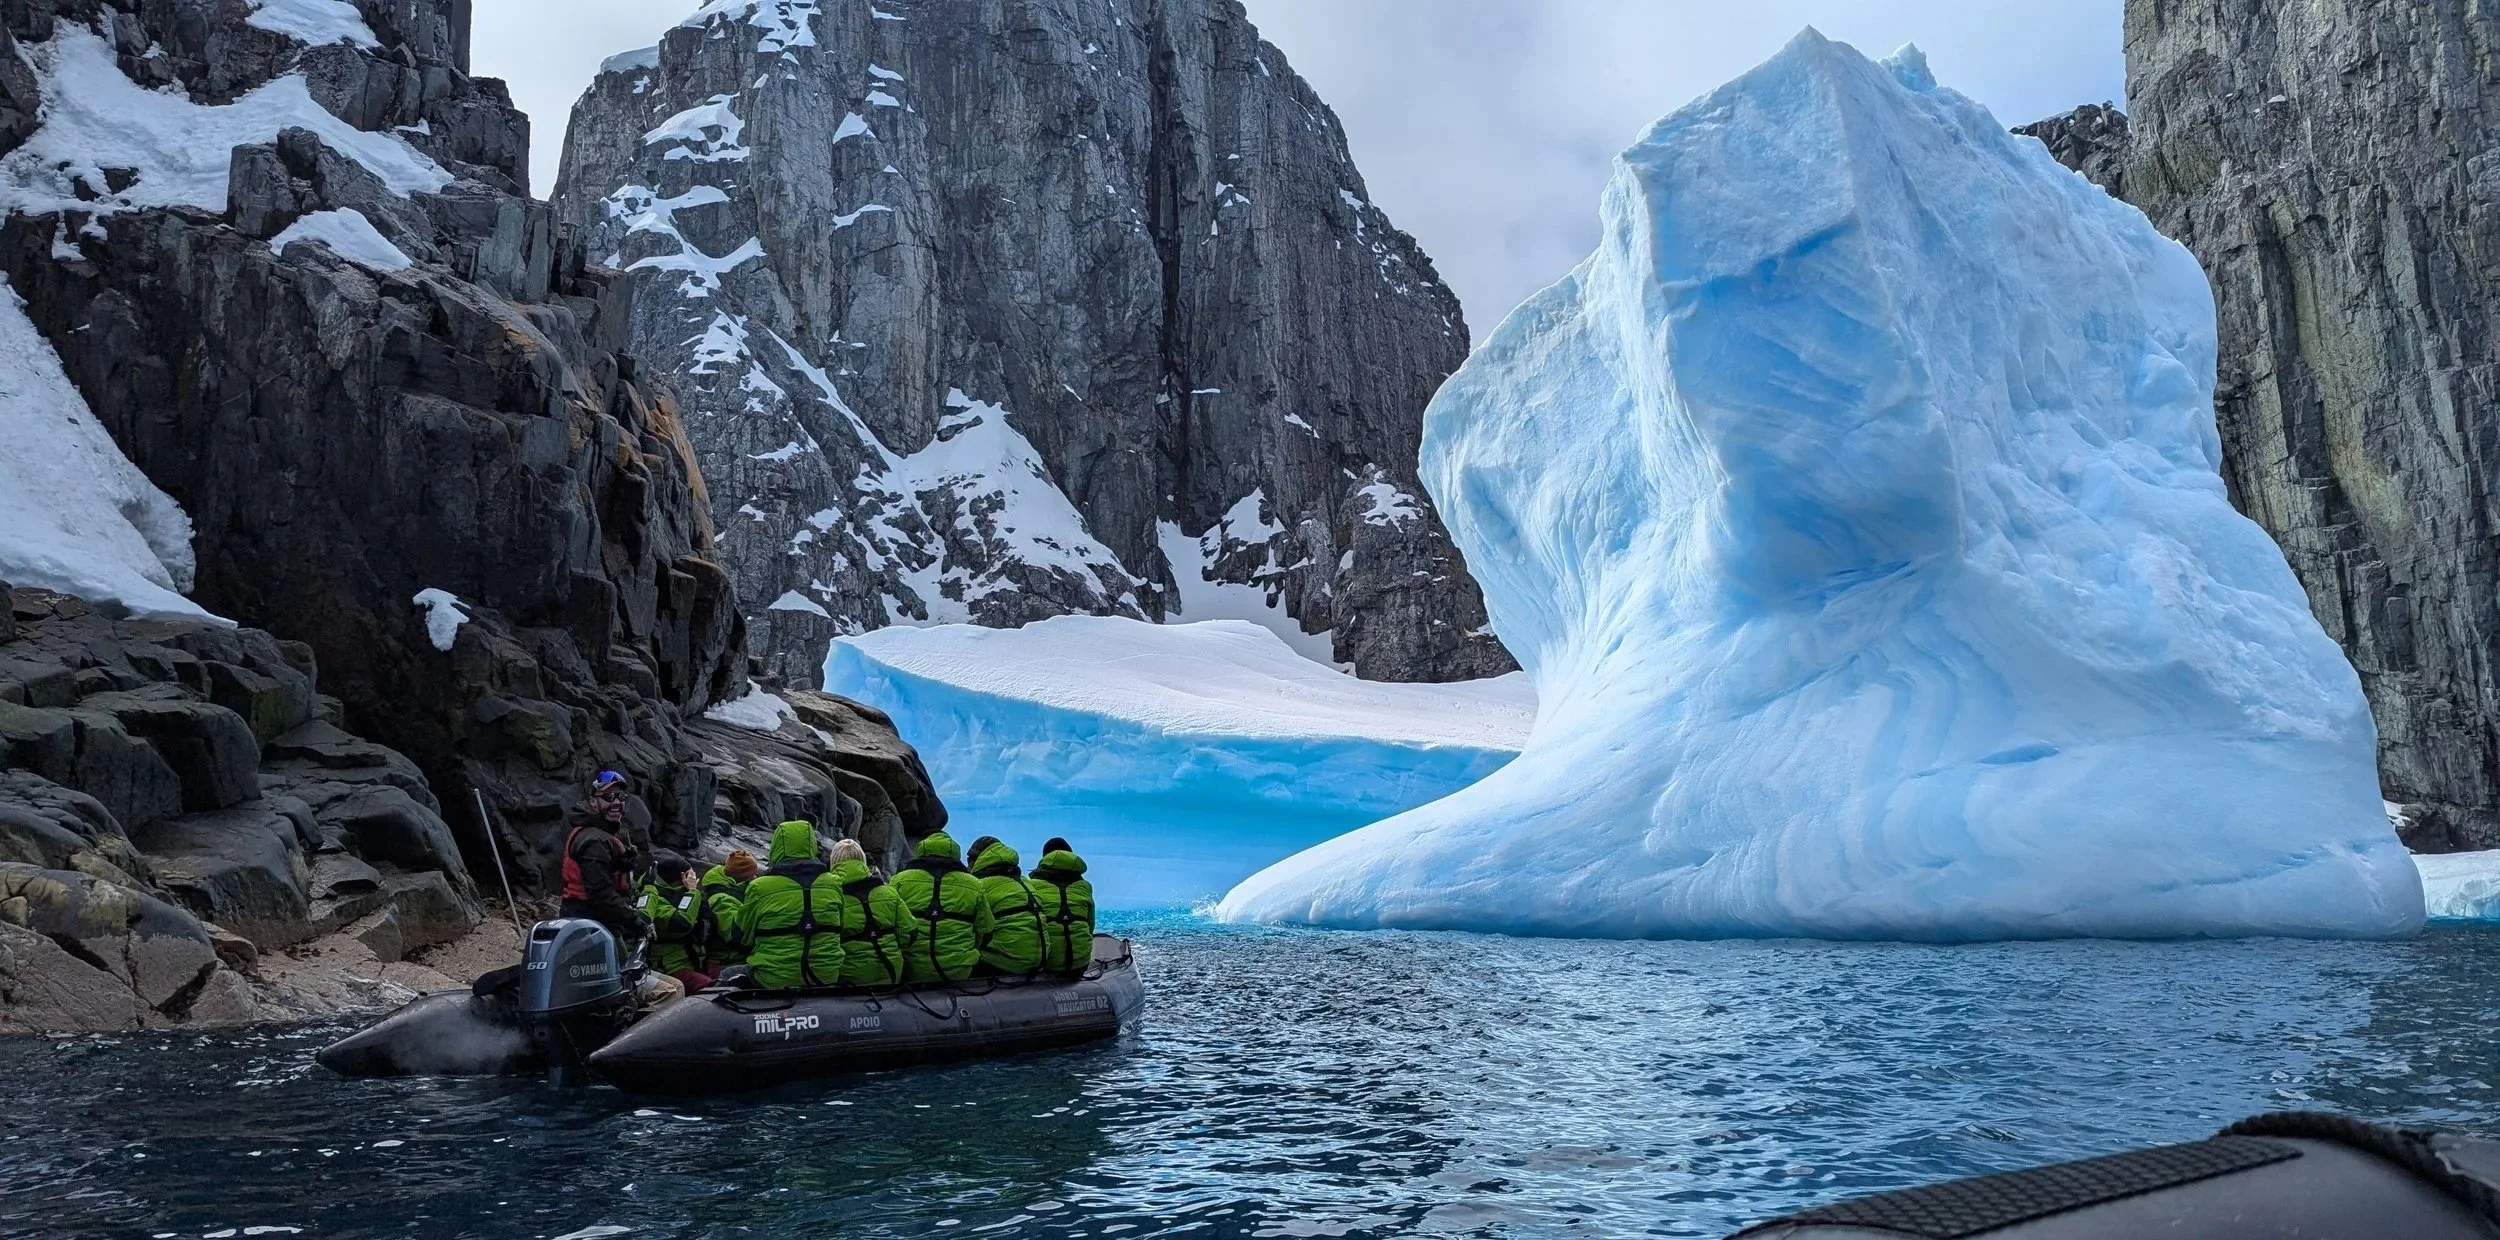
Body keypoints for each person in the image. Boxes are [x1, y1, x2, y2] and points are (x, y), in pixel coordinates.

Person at [737, 822, 909, 989]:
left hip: (774, 980)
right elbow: (909, 933)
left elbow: (742, 936)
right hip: (829, 977)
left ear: (776, 849)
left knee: (729, 974)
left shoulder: (759, 888)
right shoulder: (833, 885)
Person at [887, 831, 992, 984]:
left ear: (922, 850)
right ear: (955, 853)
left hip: (911, 969)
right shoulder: (974, 885)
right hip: (959, 970)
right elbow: (986, 930)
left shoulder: (899, 881)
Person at [559, 769, 649, 946]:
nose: (616, 802)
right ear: (593, 801)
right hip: (588, 926)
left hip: (599, 922)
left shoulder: (607, 833)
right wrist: (635, 921)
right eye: (608, 797)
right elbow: (600, 894)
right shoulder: (594, 841)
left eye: (620, 797)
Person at [965, 836, 1046, 977]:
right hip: (1039, 960)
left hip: (1004, 963)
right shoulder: (1026, 884)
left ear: (976, 861)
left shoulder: (979, 887)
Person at [638, 851, 714, 991]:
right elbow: (680, 924)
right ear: (679, 877)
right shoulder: (652, 896)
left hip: (690, 960)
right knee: (709, 987)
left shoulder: (677, 893)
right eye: (688, 875)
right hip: (669, 965)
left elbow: (706, 919)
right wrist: (692, 892)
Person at [1031, 836, 1096, 977]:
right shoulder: (1085, 887)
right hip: (1080, 964)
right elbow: (1090, 926)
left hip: (1047, 963)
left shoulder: (1032, 886)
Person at [695, 849, 758, 973]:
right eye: (752, 876)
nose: (755, 878)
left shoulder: (736, 891)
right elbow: (736, 936)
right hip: (725, 962)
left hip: (735, 958)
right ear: (741, 878)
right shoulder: (720, 899)